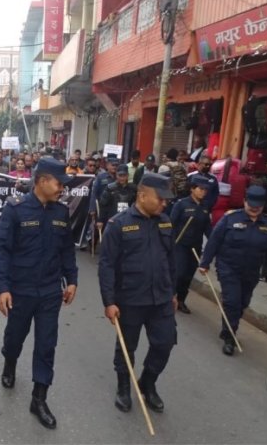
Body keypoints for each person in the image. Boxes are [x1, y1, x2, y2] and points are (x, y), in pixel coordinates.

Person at [0, 157, 78, 430]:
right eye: (58, 182)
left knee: (46, 344)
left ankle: (39, 398)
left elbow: (67, 249)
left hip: (51, 290)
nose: (62, 188)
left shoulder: (61, 213)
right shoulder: (15, 210)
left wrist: (72, 280)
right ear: (42, 181)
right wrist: (3, 288)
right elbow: (2, 250)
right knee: (15, 337)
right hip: (21, 289)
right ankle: (10, 361)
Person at [98, 172, 177, 414]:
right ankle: (123, 386)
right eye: (160, 198)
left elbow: (170, 260)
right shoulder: (118, 224)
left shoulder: (165, 222)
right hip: (130, 298)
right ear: (142, 195)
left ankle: (147, 383)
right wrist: (109, 301)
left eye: (166, 199)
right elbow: (107, 265)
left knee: (165, 343)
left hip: (160, 298)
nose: (165, 203)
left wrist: (173, 292)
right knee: (126, 347)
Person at [198, 186, 267, 355]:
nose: (254, 210)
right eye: (251, 205)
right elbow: (214, 240)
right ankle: (229, 337)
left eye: (258, 207)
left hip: (251, 271)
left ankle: (230, 327)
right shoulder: (230, 219)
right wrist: (205, 262)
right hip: (228, 268)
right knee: (232, 302)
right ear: (245, 201)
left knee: (242, 303)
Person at [170, 175, 213, 314]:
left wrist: (214, 243)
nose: (203, 192)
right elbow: (171, 224)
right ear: (192, 189)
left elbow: (208, 229)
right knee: (179, 273)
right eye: (201, 189)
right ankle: (170, 297)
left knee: (188, 276)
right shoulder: (181, 204)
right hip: (180, 245)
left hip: (195, 247)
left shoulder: (205, 207)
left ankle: (181, 300)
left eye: (205, 190)